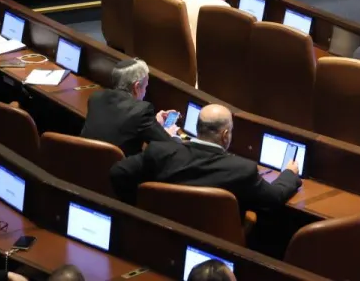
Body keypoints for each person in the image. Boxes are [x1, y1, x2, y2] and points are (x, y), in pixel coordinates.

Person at [110, 104, 300, 218]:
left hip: (161, 233)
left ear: (197, 128)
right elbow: (274, 198)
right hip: (218, 243)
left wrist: (140, 208)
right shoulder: (242, 170)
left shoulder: (160, 152)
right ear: (225, 135)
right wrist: (289, 174)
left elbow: (118, 173)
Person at [81, 58, 178, 156]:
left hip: (85, 164)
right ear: (136, 87)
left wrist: (154, 123)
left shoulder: (95, 98)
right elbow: (169, 146)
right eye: (145, 87)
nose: (145, 92)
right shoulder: (141, 110)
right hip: (118, 169)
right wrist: (168, 133)